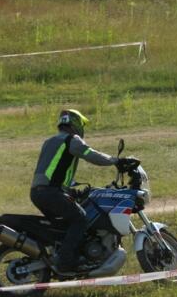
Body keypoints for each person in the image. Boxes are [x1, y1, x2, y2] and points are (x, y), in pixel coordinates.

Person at [30, 109, 132, 276]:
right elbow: (91, 154)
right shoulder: (71, 140)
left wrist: (72, 192)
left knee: (65, 225)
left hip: (38, 193)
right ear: (76, 124)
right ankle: (66, 262)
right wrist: (115, 161)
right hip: (51, 193)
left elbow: (53, 172)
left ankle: (68, 255)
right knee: (81, 219)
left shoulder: (49, 142)